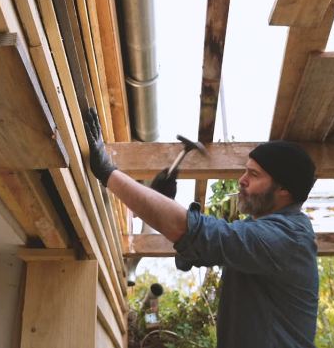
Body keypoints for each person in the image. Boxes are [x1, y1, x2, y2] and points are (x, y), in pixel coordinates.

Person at [84, 108, 319, 348]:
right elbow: (189, 255)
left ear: (284, 190)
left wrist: (107, 173)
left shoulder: (288, 238)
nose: (242, 180)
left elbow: (196, 234)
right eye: (245, 170)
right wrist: (167, 203)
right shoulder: (261, 230)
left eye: (254, 174)